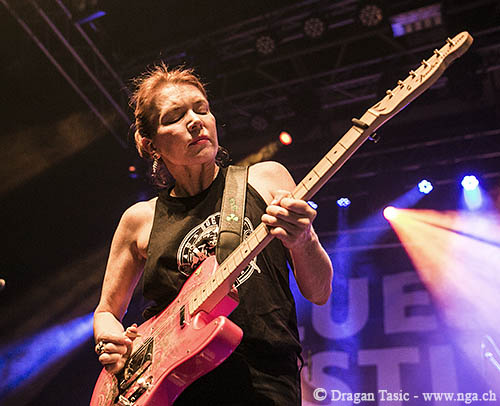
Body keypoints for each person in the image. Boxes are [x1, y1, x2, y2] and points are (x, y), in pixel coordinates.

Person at [93, 64, 333, 405]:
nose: (195, 121)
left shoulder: (266, 179)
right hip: (173, 388)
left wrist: (303, 239)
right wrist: (111, 341)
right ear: (151, 144)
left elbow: (320, 292)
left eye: (201, 109)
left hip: (266, 380)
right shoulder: (139, 219)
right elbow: (106, 312)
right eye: (175, 116)